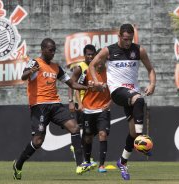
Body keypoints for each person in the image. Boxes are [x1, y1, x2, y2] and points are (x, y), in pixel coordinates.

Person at [13, 38, 92, 180]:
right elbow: (23, 76)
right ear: (43, 49)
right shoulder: (35, 62)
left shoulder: (56, 67)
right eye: (50, 50)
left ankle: (80, 164)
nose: (53, 53)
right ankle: (18, 165)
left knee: (74, 128)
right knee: (37, 141)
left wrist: (88, 88)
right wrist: (30, 71)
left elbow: (72, 84)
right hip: (39, 106)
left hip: (55, 105)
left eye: (54, 50)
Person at [89, 24, 156, 180]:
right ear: (119, 36)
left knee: (132, 132)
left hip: (131, 92)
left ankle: (123, 162)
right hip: (117, 91)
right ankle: (141, 139)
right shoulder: (108, 50)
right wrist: (96, 81)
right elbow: (92, 65)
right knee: (139, 100)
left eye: (130, 39)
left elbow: (150, 69)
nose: (128, 42)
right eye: (125, 39)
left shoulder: (139, 50)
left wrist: (152, 84)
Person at [80, 56, 112, 173]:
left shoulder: (110, 73)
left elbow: (115, 90)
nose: (100, 63)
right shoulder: (87, 72)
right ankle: (87, 162)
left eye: (102, 61)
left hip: (103, 109)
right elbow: (77, 87)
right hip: (88, 109)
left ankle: (101, 166)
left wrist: (110, 103)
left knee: (102, 134)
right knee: (87, 137)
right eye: (98, 61)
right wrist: (79, 103)